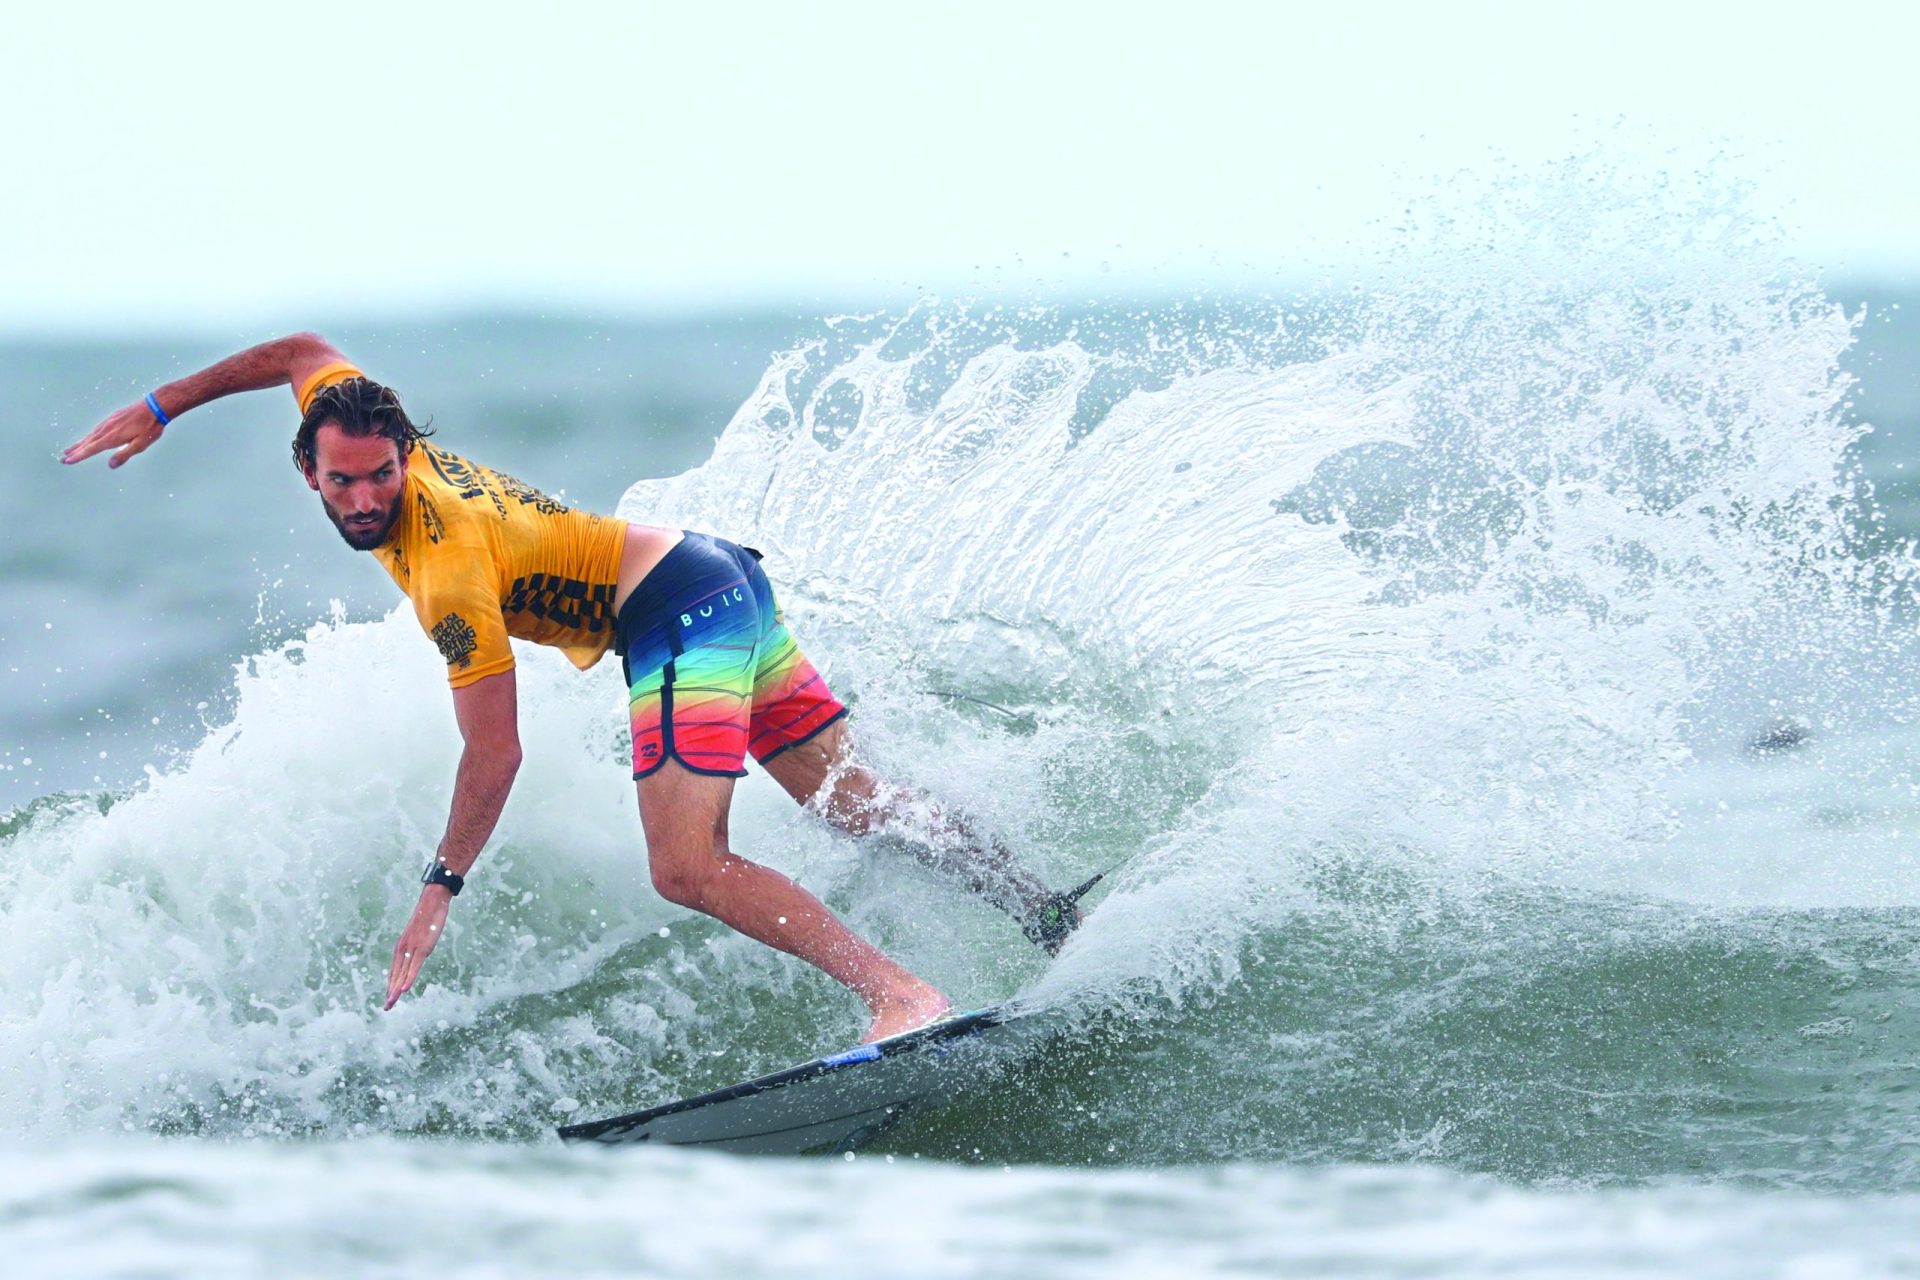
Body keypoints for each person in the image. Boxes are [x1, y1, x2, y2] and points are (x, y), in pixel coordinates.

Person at [61, 333, 1080, 1041]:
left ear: (406, 455)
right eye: (344, 482)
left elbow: (496, 751)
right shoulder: (347, 407)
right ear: (309, 470)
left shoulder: (446, 565)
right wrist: (163, 405)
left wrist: (438, 889)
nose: (367, 499)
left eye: (381, 476)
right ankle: (1045, 911)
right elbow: (296, 351)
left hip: (677, 610)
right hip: (713, 570)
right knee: (852, 803)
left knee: (685, 865)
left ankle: (901, 994)